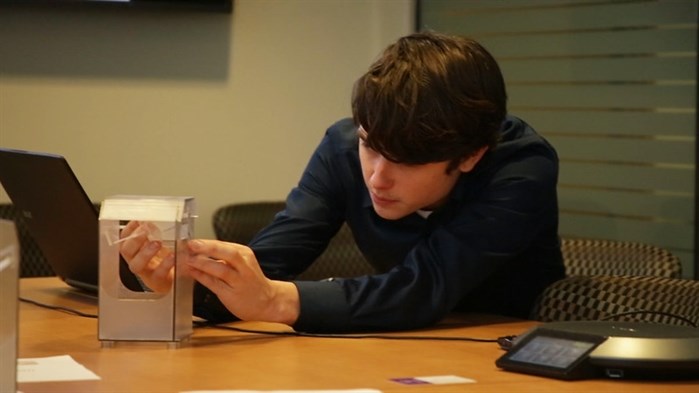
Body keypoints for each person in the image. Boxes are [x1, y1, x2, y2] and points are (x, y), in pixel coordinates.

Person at [119, 31, 565, 333]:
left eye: (405, 161)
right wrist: (182, 285)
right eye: (371, 146)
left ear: (470, 156)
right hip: (395, 343)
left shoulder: (522, 167)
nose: (377, 176)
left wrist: (275, 302)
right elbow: (269, 262)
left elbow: (424, 288)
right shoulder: (343, 144)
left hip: (506, 349)